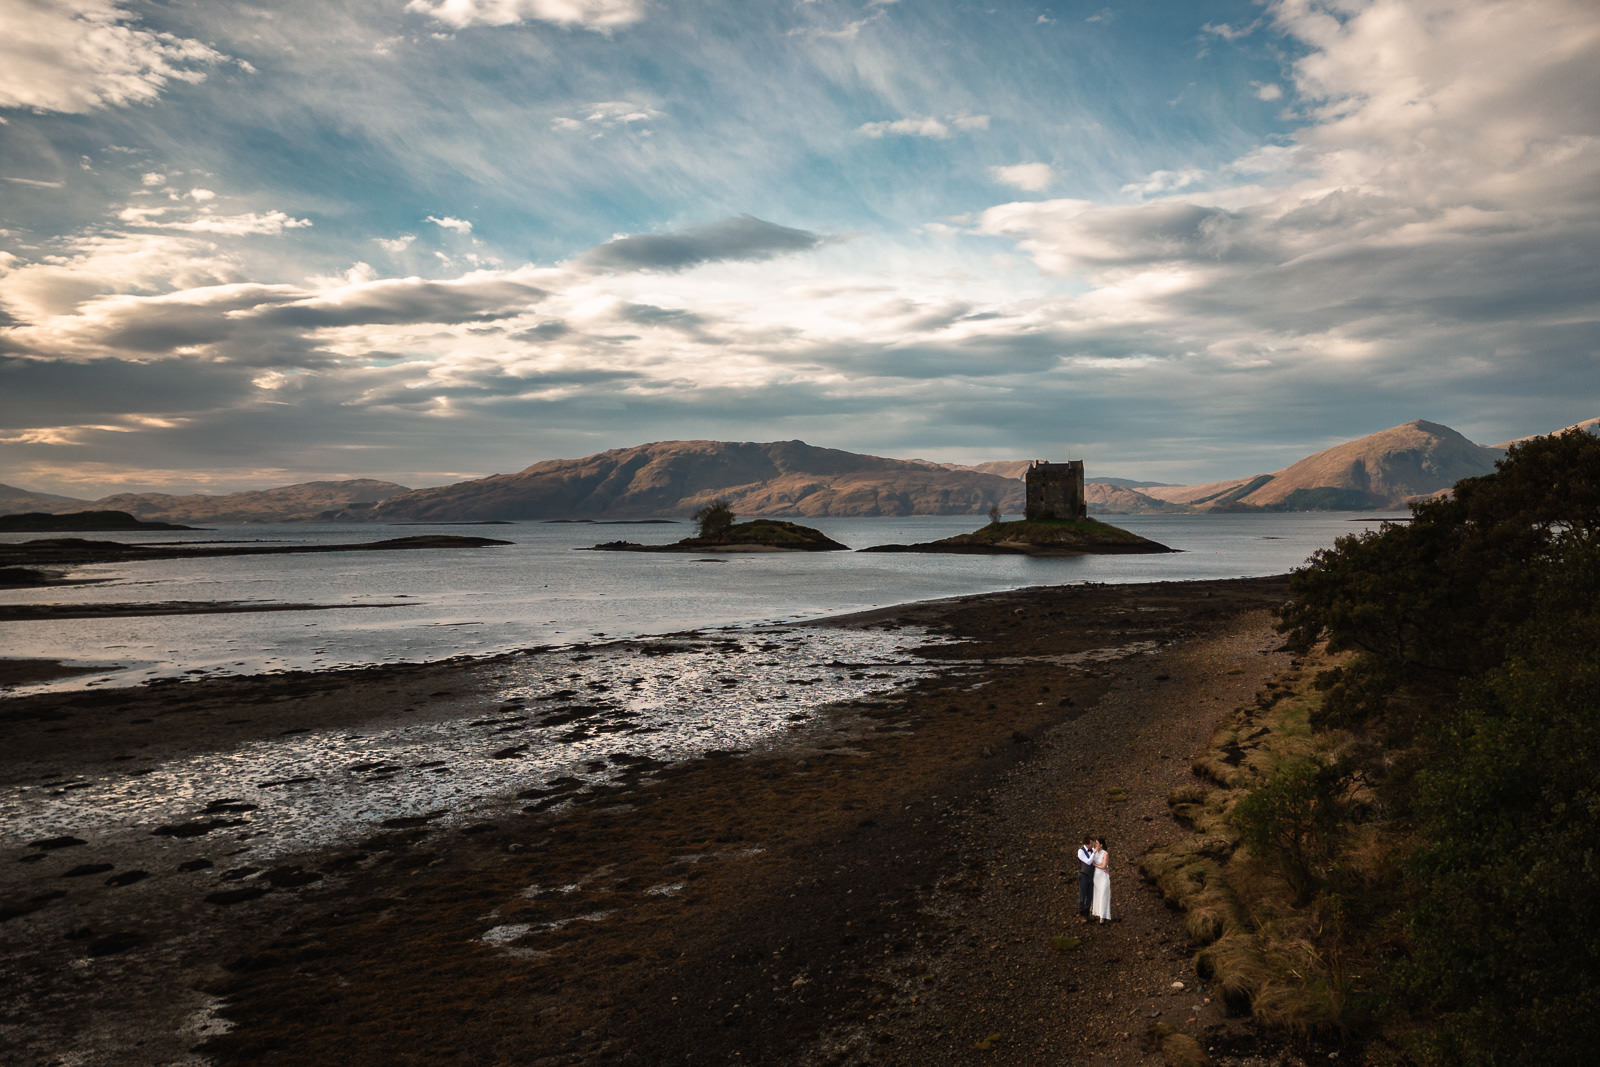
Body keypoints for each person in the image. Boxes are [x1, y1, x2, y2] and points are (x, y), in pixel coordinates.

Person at [1091, 837, 1112, 923]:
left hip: (1103, 876)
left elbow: (1104, 866)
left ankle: (1103, 916)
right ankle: (1097, 913)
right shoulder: (1094, 851)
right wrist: (1094, 852)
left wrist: (1095, 864)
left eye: (1097, 843)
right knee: (1097, 894)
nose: (1095, 845)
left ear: (1101, 845)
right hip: (1097, 876)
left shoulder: (1105, 854)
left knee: (1103, 894)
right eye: (1095, 843)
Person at [1075, 835, 1097, 920]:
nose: (1093, 845)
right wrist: (1094, 853)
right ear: (1087, 844)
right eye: (1091, 844)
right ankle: (1081, 913)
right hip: (1083, 875)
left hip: (1091, 876)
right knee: (1082, 895)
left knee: (1090, 895)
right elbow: (1088, 862)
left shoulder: (1092, 850)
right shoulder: (1080, 851)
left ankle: (1087, 913)